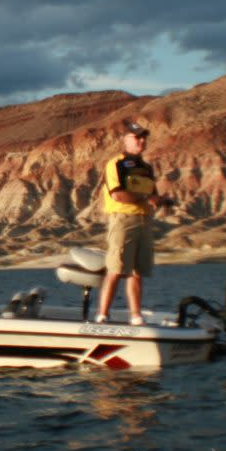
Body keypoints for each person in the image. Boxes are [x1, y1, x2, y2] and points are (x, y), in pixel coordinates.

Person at [95, 120, 172, 325]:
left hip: (144, 220)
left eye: (144, 137)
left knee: (137, 272)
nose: (141, 141)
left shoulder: (146, 167)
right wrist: (147, 199)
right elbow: (118, 195)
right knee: (116, 269)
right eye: (137, 137)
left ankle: (136, 316)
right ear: (126, 140)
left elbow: (151, 194)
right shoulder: (116, 164)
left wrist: (162, 201)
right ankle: (102, 316)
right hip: (123, 220)